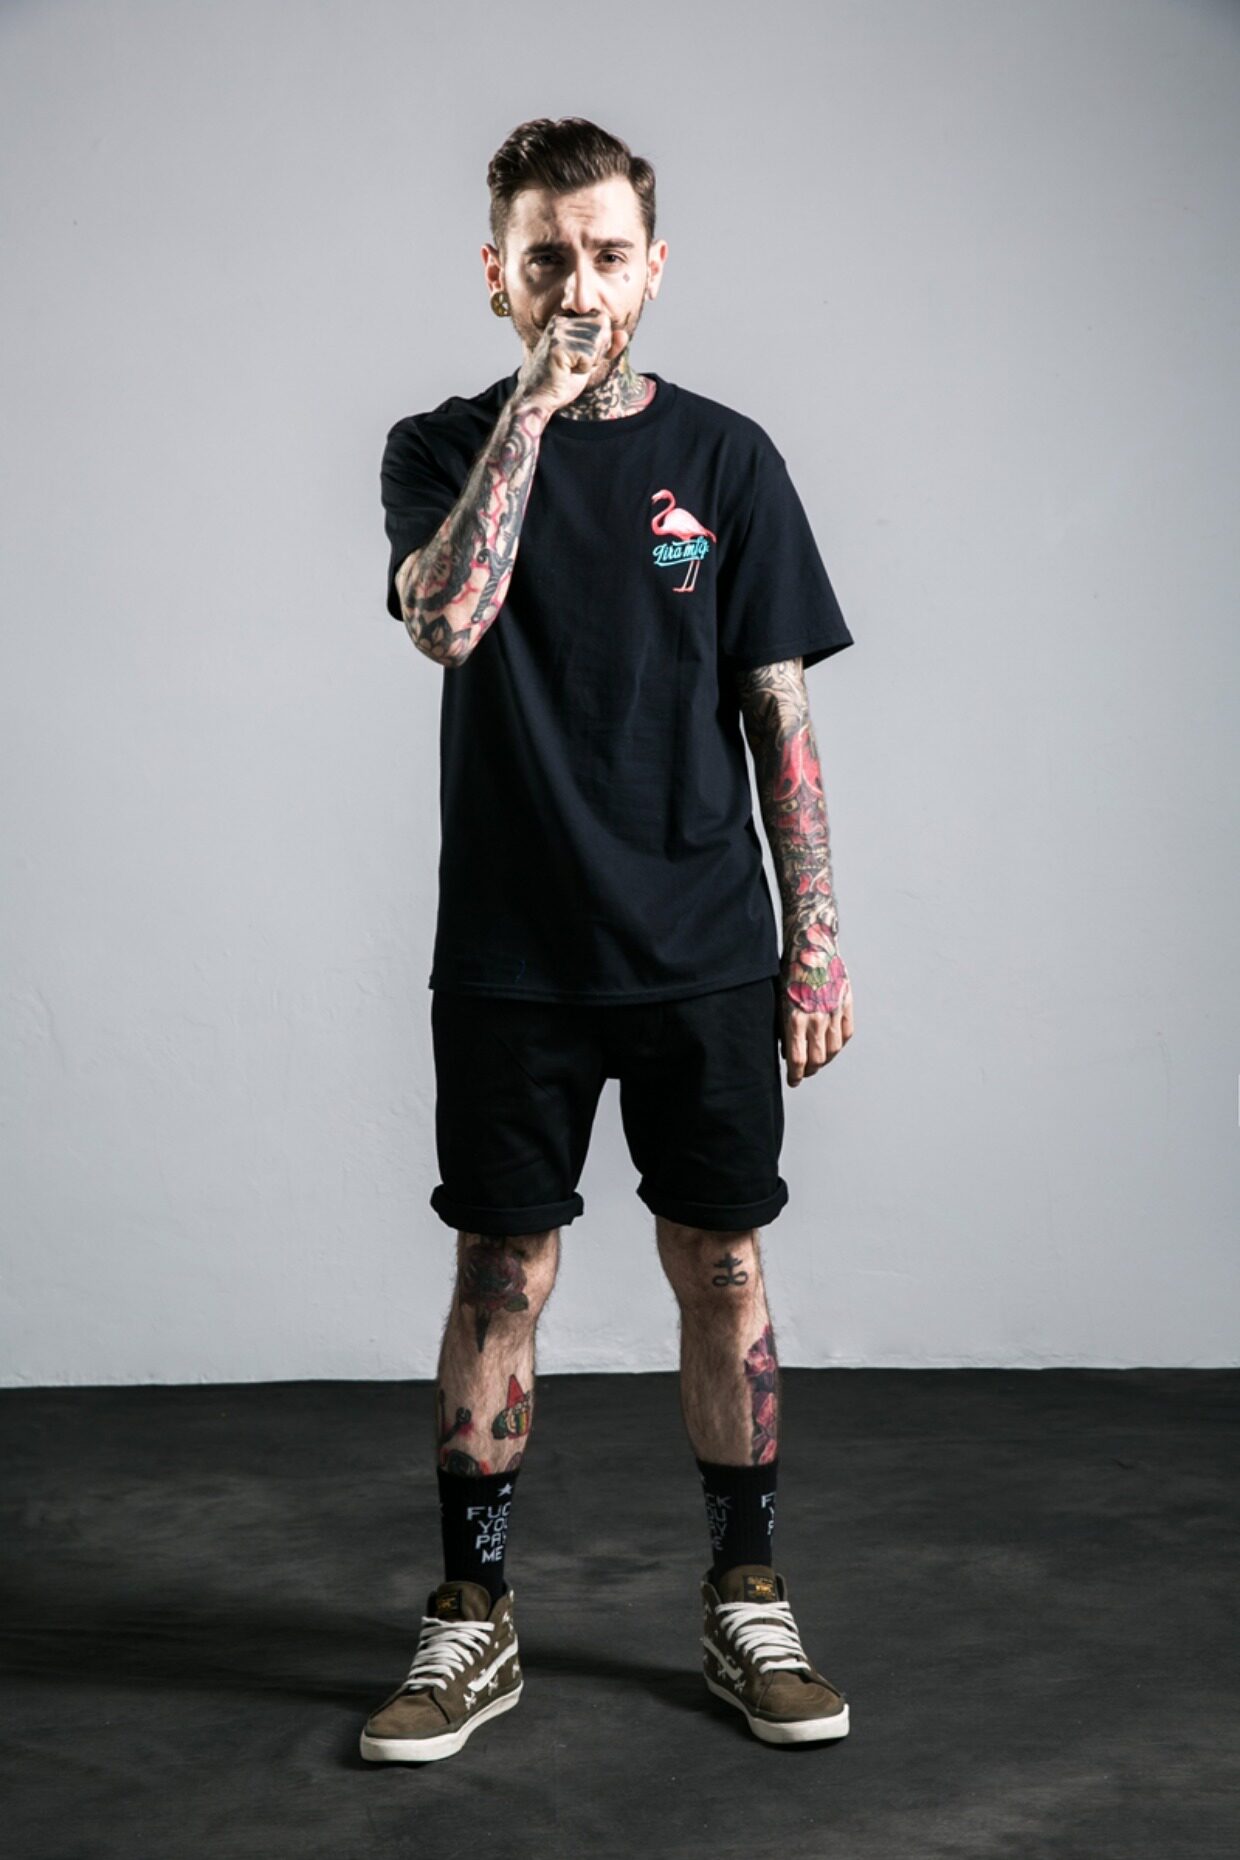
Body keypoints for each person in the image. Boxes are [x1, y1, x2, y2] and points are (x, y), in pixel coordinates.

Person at [362, 116, 856, 1763]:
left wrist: (817, 941)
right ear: (495, 274)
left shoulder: (728, 461)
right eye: (547, 257)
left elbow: (777, 715)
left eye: (608, 254)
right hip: (514, 957)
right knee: (500, 1276)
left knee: (724, 1267)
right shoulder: (440, 446)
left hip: (703, 946)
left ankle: (746, 1595)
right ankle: (473, 1616)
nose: (580, 285)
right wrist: (533, 409)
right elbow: (447, 619)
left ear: (656, 269)